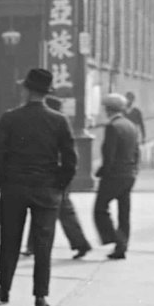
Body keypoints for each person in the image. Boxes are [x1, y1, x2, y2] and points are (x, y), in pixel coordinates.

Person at [0, 68, 76, 306]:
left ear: (26, 90)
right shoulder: (59, 120)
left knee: (10, 240)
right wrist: (58, 185)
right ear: (47, 93)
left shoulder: (10, 118)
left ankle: (5, 288)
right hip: (46, 189)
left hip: (14, 187)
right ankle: (40, 296)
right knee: (43, 243)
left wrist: (1, 180)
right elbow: (70, 159)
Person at [23, 96, 91, 259]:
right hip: (55, 176)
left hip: (52, 177)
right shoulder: (59, 124)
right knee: (48, 210)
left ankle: (80, 243)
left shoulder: (54, 126)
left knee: (61, 211)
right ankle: (33, 245)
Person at [93, 93, 140, 260]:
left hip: (114, 176)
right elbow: (136, 152)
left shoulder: (112, 127)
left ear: (108, 109)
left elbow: (109, 155)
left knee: (99, 209)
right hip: (129, 174)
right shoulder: (131, 125)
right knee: (124, 212)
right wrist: (135, 170)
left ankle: (115, 238)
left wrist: (102, 172)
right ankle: (122, 247)